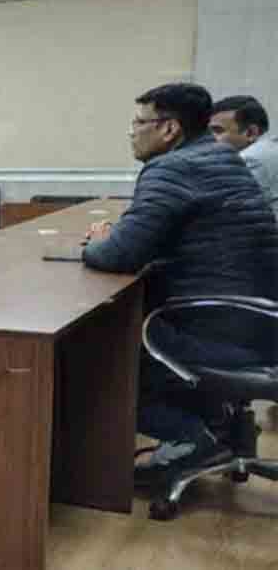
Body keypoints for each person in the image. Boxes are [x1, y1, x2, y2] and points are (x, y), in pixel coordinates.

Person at [82, 83, 278, 485]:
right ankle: (215, 426)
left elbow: (117, 255)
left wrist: (100, 240)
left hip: (222, 325)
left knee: (102, 355)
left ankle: (191, 437)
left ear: (169, 129)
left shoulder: (173, 168)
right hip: (256, 321)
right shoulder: (220, 158)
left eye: (139, 122)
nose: (131, 131)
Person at [210, 95, 278, 218]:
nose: (209, 139)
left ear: (251, 133)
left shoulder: (250, 159)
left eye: (218, 131)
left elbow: (227, 210)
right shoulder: (270, 149)